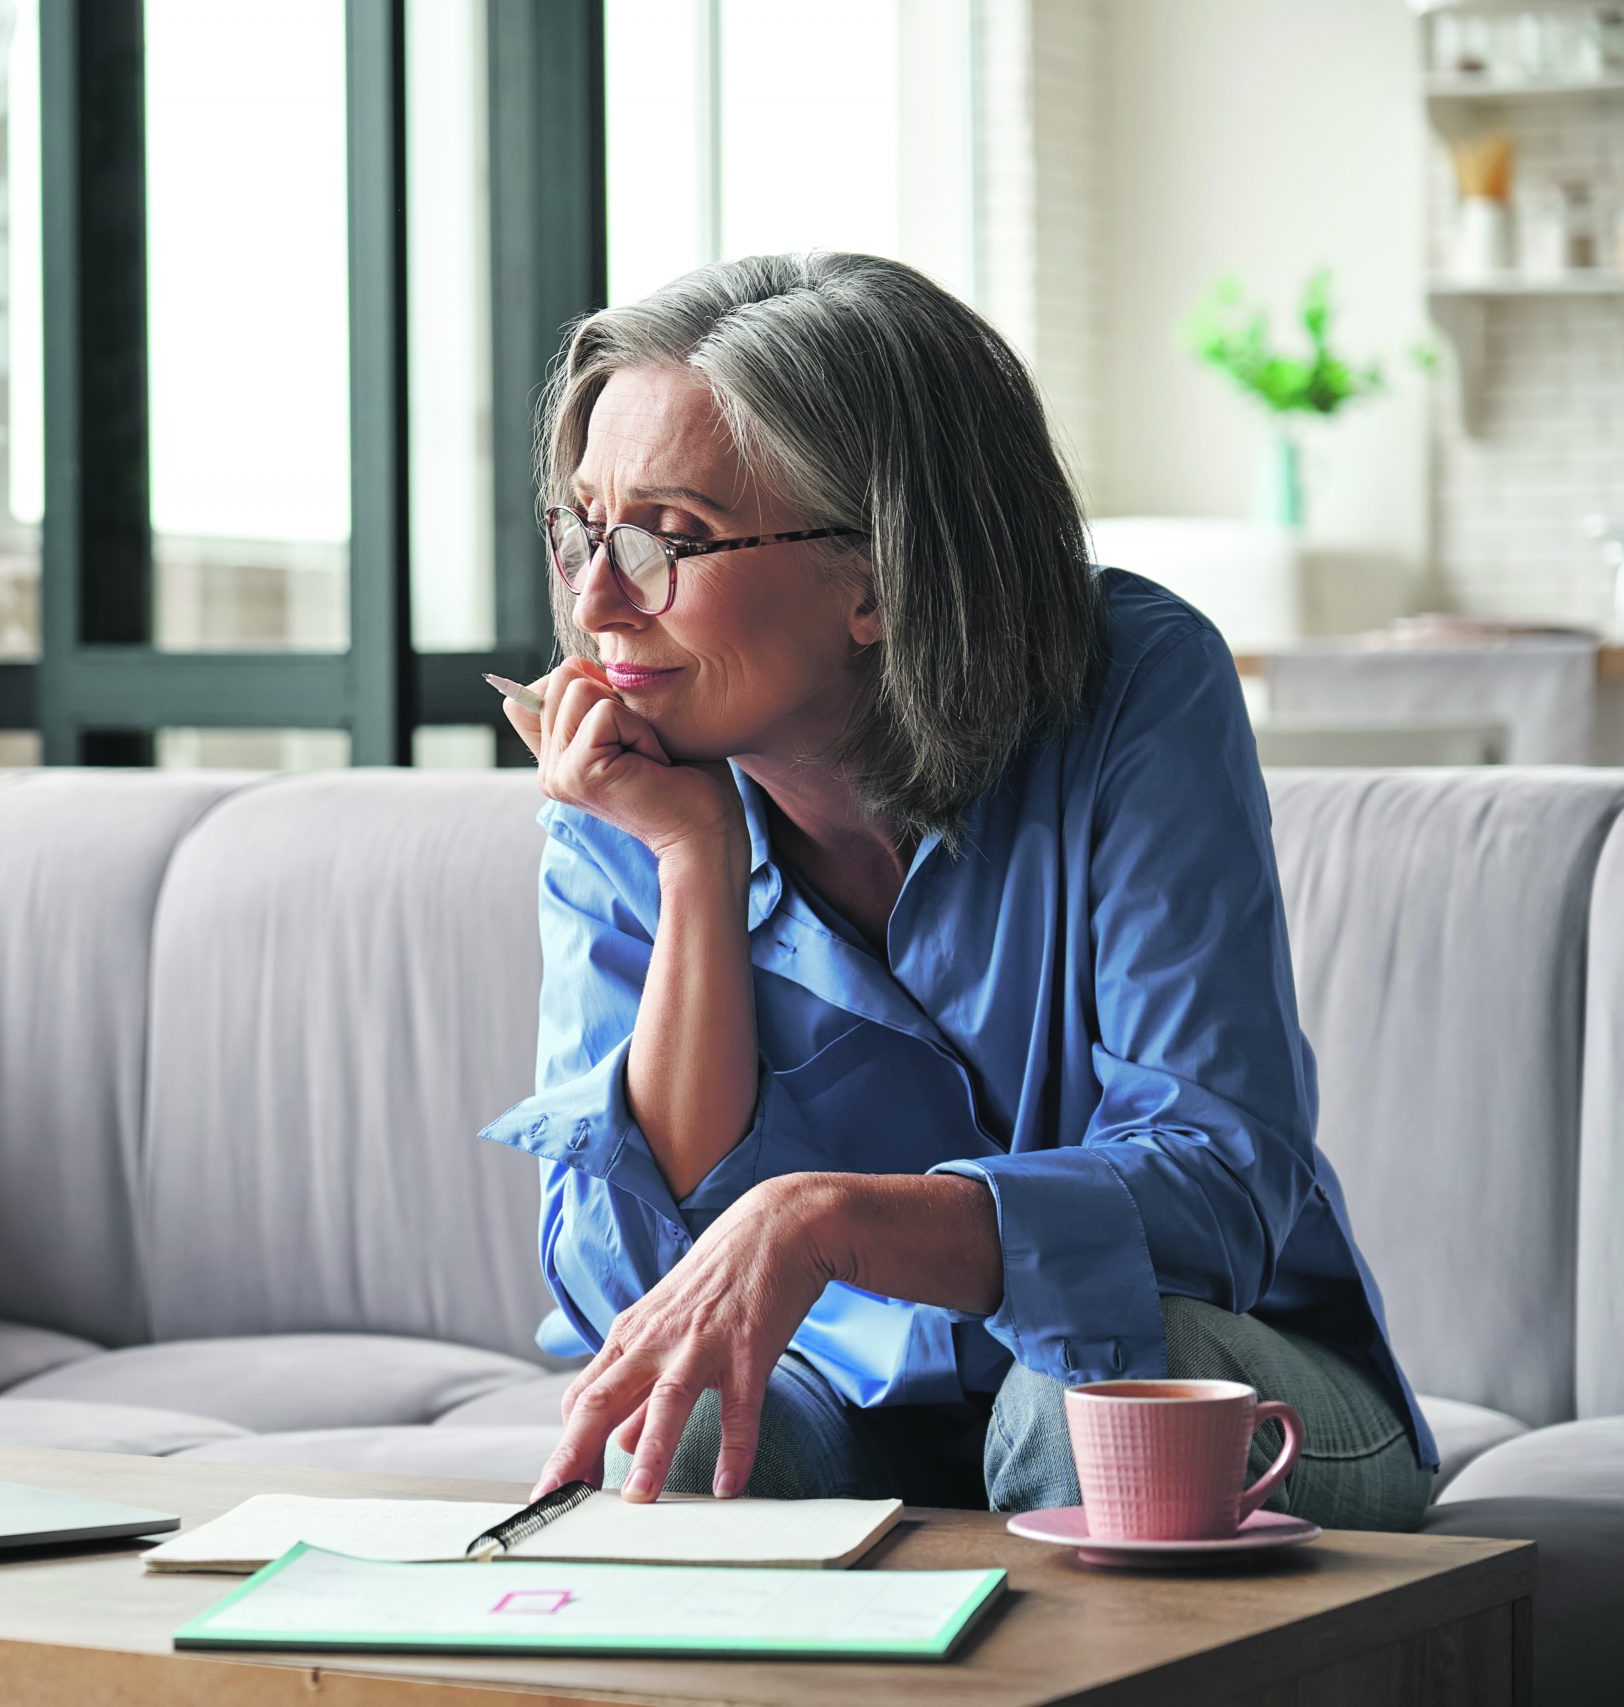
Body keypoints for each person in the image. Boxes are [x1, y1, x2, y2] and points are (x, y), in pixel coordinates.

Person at [476, 251, 1435, 1529]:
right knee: (689, 1424)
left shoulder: (1136, 688)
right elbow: (632, 1289)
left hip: (1219, 1379)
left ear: (876, 576)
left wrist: (828, 1222)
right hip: (848, 1407)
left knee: (1080, 1401)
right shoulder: (629, 776)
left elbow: (1216, 1187)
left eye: (669, 539)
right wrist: (694, 865)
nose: (597, 602)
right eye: (580, 529)